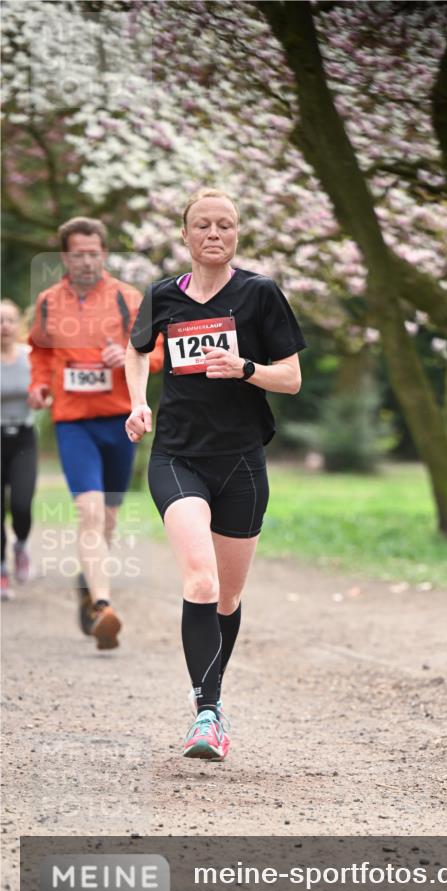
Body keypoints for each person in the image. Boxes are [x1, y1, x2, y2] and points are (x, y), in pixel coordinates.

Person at [125, 188, 306, 761]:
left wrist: (246, 368)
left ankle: (212, 698)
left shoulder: (258, 294)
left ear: (236, 235)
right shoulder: (161, 296)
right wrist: (138, 402)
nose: (213, 234)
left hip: (242, 461)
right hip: (177, 456)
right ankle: (207, 714)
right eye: (201, 225)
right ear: (184, 235)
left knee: (227, 597)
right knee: (199, 579)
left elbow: (292, 378)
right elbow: (136, 350)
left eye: (224, 225)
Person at [28, 217, 163, 647]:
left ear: (103, 253)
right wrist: (39, 385)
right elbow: (39, 353)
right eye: (77, 253)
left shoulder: (128, 299)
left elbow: (156, 352)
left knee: (106, 520)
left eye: (93, 252)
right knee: (88, 511)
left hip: (119, 421)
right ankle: (104, 605)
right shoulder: (49, 302)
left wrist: (124, 358)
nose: (86, 261)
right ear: (65, 256)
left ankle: (89, 585)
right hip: (73, 423)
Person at [1, 299, 38, 601]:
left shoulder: (30, 357)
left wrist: (44, 399)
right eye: (0, 321)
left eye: (10, 320)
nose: (5, 326)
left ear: (18, 326)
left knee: (22, 504)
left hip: (25, 437)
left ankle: (21, 545)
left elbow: (45, 392)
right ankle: (2, 569)